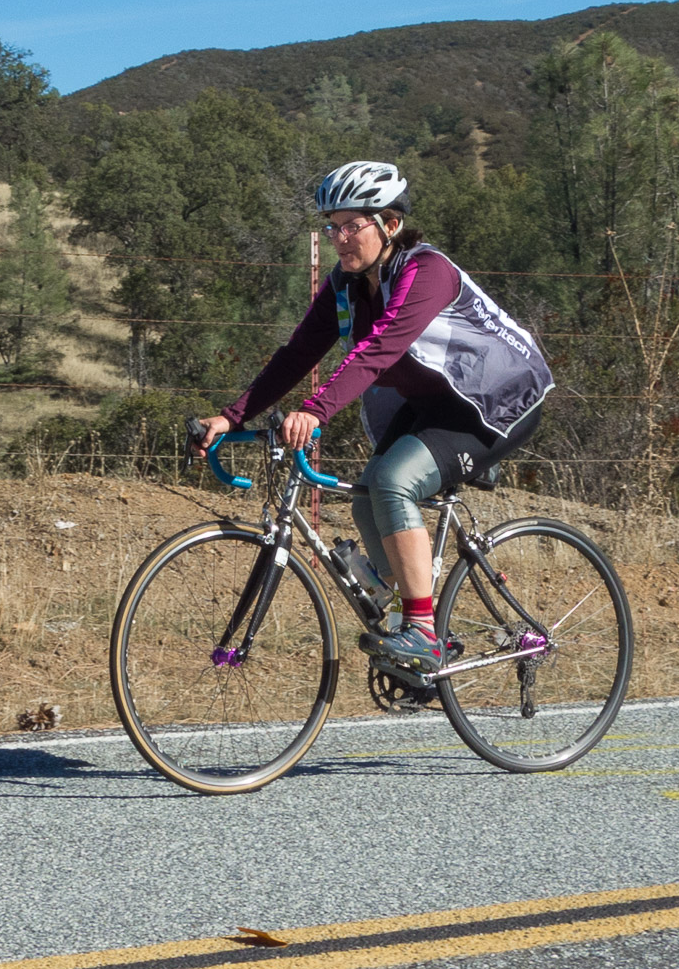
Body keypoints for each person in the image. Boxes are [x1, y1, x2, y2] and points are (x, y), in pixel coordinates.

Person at [194, 160, 553, 673]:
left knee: (391, 481)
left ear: (390, 225)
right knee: (368, 494)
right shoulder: (346, 284)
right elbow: (298, 354)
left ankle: (423, 632)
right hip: (437, 402)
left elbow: (380, 349)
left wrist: (315, 411)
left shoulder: (427, 271)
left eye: (352, 226)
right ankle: (411, 617)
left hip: (499, 402)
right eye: (332, 227)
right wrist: (232, 417)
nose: (339, 239)